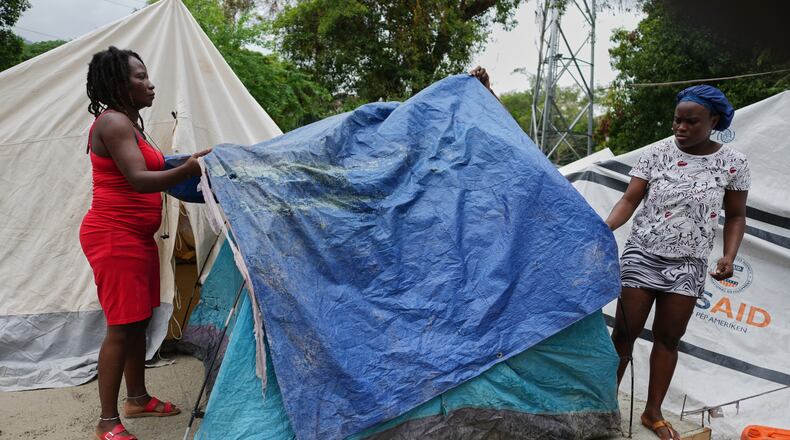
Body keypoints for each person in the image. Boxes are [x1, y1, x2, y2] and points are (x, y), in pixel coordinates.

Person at [80, 46, 211, 440]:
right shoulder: (114, 123)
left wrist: (188, 162)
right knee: (121, 327)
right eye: (139, 77)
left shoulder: (132, 123)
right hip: (112, 235)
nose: (149, 83)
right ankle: (106, 423)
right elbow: (138, 179)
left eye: (146, 75)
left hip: (134, 237)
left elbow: (155, 167)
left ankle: (136, 398)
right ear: (118, 83)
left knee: (137, 323)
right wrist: (188, 169)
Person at [605, 85, 750, 440]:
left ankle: (652, 412)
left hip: (689, 263)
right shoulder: (656, 154)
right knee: (625, 333)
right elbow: (629, 200)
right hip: (643, 253)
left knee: (669, 338)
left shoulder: (734, 163)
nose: (680, 127)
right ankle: (603, 403)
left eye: (691, 121)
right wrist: (604, 228)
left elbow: (735, 216)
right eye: (676, 120)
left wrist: (728, 256)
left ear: (713, 121)